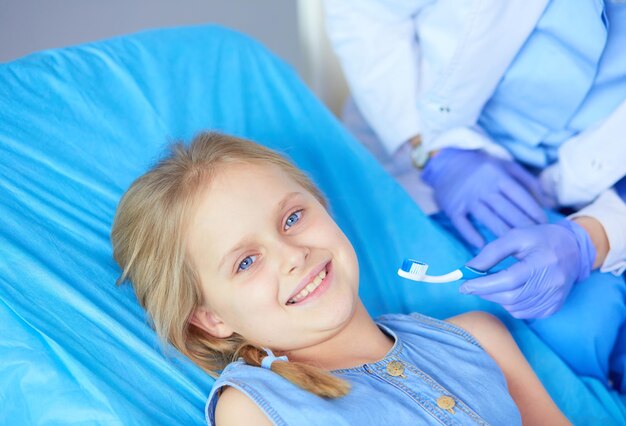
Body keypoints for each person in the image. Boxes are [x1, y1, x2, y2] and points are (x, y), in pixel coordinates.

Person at [110, 132, 567, 425]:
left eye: (291, 218)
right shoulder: (254, 409)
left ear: (325, 209)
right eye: (246, 262)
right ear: (208, 318)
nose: (293, 255)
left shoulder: (478, 338)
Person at [324, 0, 626, 320]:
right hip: (419, 135)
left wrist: (591, 238)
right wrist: (433, 151)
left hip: (593, 197)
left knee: (588, 319)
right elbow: (363, 10)